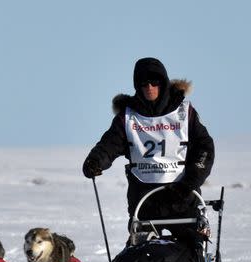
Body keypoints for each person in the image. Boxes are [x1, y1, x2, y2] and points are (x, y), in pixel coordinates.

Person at [82, 57, 214, 229]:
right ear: (138, 86)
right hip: (144, 200)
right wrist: (95, 161)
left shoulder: (184, 112)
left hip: (182, 197)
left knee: (190, 251)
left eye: (154, 82)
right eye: (144, 83)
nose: (149, 87)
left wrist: (190, 182)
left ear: (163, 83)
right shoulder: (128, 117)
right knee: (139, 254)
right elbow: (109, 145)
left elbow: (204, 148)